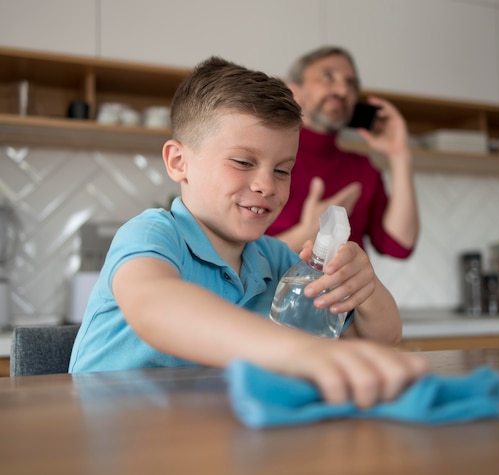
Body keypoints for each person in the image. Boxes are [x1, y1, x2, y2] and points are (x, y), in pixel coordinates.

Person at [69, 56, 427, 409]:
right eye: (243, 162)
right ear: (179, 162)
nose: (266, 185)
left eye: (283, 170)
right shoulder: (152, 235)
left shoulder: (281, 261)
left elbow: (382, 337)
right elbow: (155, 307)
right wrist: (296, 352)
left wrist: (365, 286)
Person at [266, 46, 419, 258]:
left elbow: (398, 246)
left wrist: (399, 154)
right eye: (328, 76)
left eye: (351, 84)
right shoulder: (266, 158)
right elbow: (236, 256)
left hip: (350, 291)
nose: (343, 91)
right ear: (294, 92)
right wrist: (307, 233)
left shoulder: (364, 169)